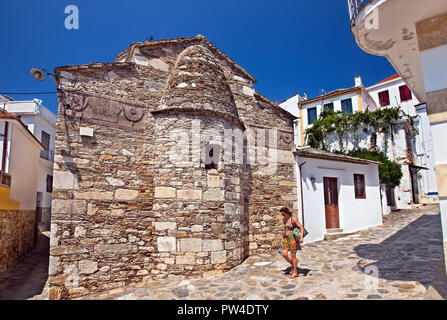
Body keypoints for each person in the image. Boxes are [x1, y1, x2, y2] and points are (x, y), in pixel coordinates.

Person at [280, 207, 304, 279]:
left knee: (293, 256)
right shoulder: (284, 219)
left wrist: (301, 237)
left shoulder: (293, 219)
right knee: (284, 254)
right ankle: (294, 266)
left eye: (283, 214)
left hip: (292, 239)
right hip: (286, 240)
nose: (282, 215)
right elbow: (285, 230)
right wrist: (283, 238)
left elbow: (301, 227)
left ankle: (295, 272)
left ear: (286, 212)